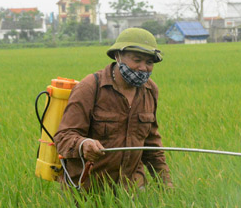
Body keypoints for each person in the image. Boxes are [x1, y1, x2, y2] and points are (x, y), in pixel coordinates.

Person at [54, 28, 173, 190]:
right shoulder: (90, 87)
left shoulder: (150, 90)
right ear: (117, 56)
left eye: (149, 62)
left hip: (132, 187)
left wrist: (165, 183)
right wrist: (83, 144)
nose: (143, 67)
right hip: (88, 188)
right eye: (137, 60)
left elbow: (151, 144)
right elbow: (63, 137)